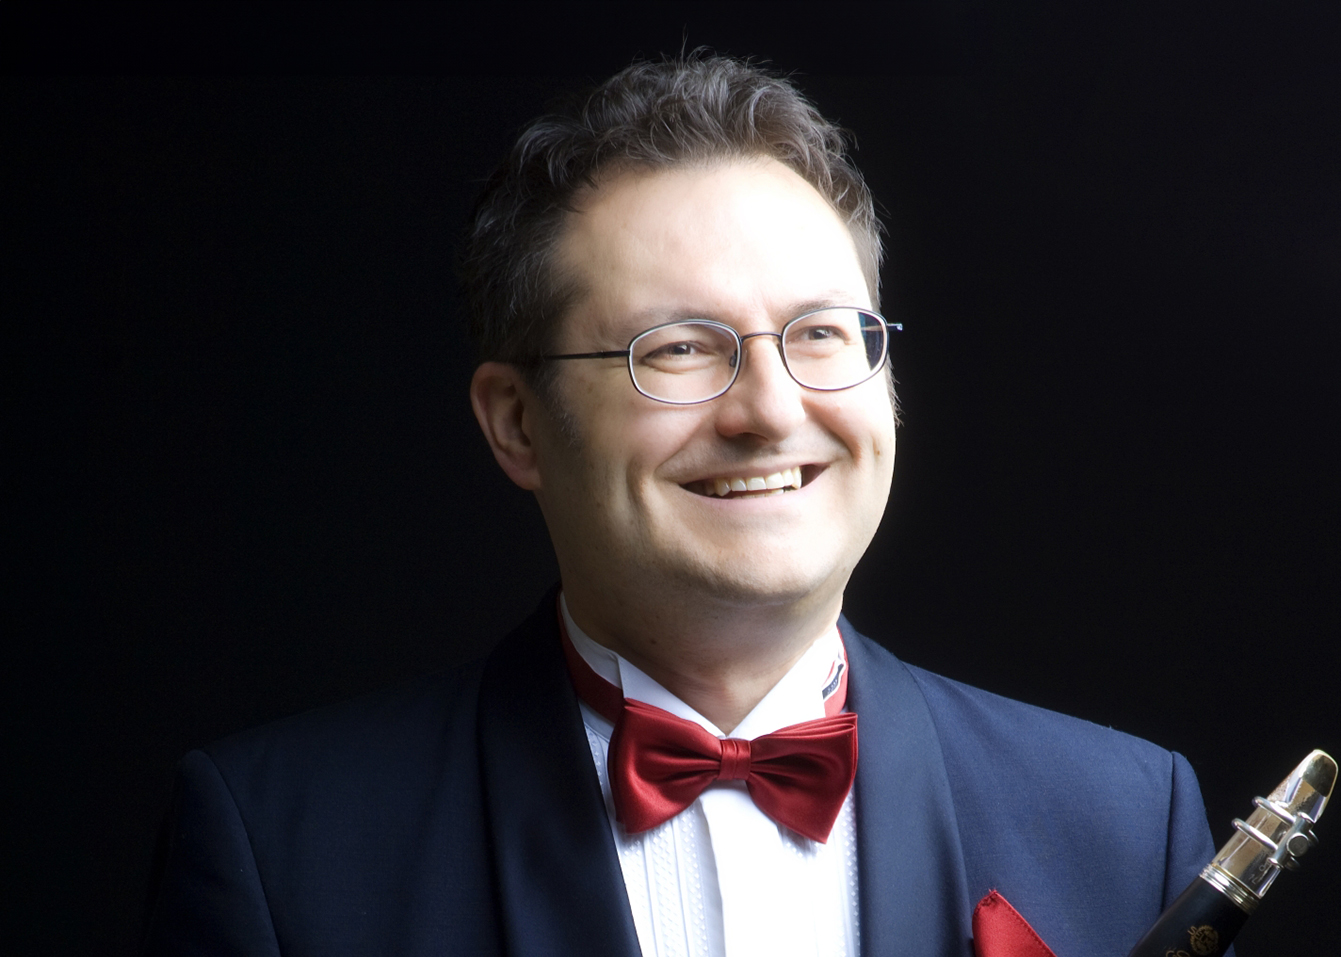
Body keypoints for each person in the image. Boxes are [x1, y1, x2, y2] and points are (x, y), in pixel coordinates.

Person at [143, 56, 1220, 957]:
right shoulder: (282, 849)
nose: (770, 410)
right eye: (678, 350)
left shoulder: (1126, 822)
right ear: (517, 423)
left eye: (821, 334)